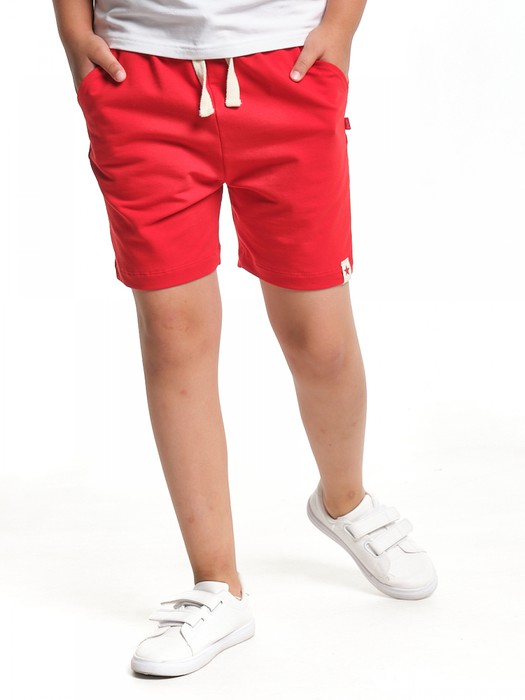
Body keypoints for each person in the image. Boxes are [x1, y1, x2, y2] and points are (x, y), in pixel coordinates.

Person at [51, 0, 438, 678]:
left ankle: (345, 501)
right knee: (174, 335)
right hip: (137, 75)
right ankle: (216, 585)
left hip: (287, 66)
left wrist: (340, 26)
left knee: (320, 339)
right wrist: (73, 32)